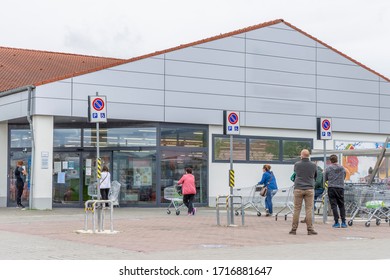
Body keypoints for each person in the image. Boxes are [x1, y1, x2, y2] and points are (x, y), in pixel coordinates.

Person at [289, 149, 318, 235]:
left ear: (301, 155)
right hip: (309, 188)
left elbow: (295, 173)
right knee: (308, 209)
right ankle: (310, 229)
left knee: (296, 209)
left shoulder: (297, 164)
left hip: (298, 188)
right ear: (308, 155)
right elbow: (315, 176)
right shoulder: (313, 165)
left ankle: (294, 229)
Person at [324, 154, 347, 228]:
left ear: (330, 161)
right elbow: (344, 176)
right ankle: (343, 222)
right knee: (341, 205)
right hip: (340, 188)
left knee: (334, 206)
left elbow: (325, 179)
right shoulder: (342, 168)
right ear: (337, 159)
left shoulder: (328, 168)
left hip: (331, 188)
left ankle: (336, 222)